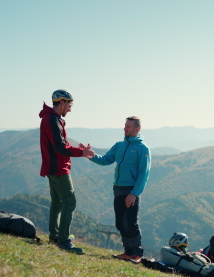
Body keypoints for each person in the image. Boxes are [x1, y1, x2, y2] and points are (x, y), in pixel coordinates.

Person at [88, 116, 151, 263]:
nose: (125, 128)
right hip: (118, 188)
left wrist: (134, 194)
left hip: (131, 190)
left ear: (137, 129)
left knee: (131, 222)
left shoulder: (143, 148)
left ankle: (137, 254)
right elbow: (106, 160)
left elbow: (144, 174)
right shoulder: (119, 145)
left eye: (128, 127)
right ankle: (127, 252)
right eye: (125, 126)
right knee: (120, 222)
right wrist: (91, 156)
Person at [39, 89, 94, 254]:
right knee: (70, 202)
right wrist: (81, 153)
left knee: (57, 202)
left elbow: (59, 145)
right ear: (62, 103)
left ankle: (55, 237)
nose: (70, 109)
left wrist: (79, 150)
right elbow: (60, 147)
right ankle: (63, 241)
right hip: (58, 169)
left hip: (52, 167)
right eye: (69, 105)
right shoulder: (51, 119)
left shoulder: (51, 118)